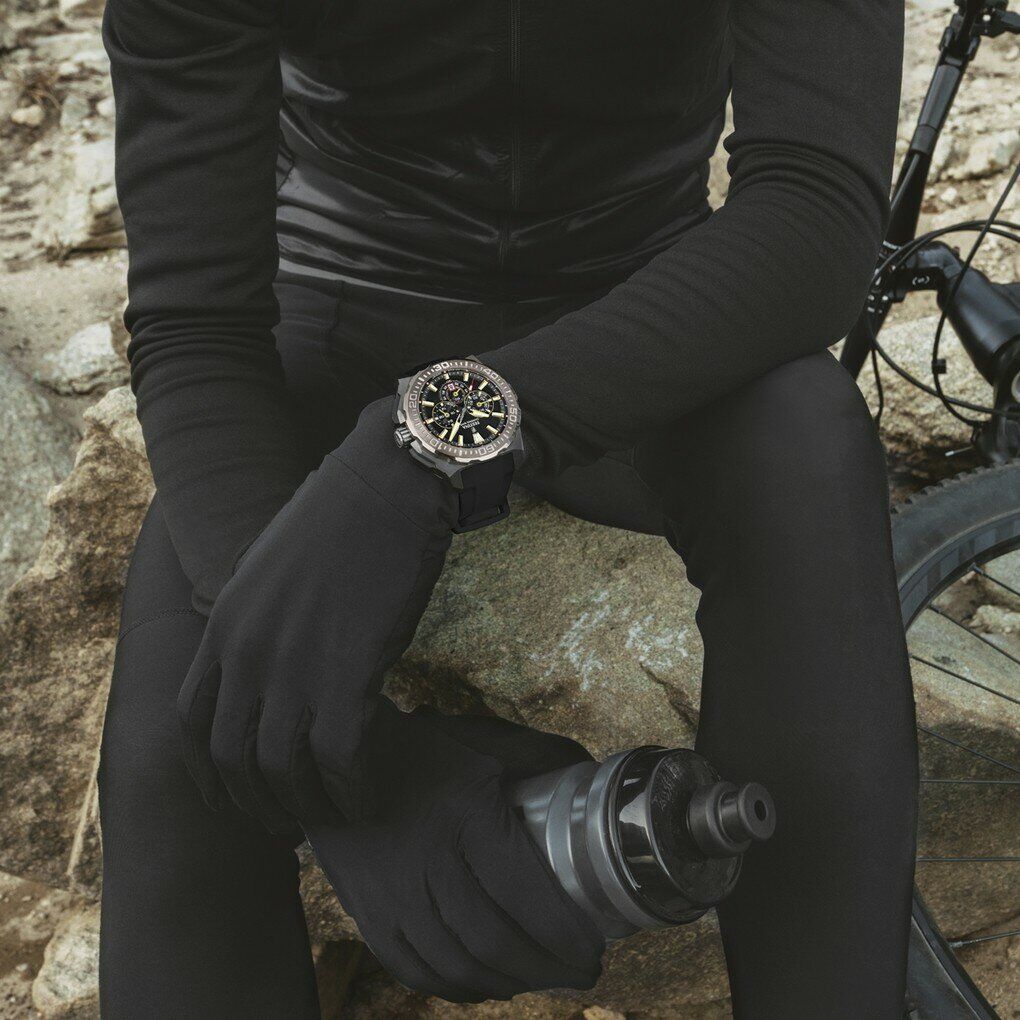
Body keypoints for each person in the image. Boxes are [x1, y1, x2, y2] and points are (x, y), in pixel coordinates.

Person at [97, 0, 919, 1016]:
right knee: (177, 720)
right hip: (337, 316)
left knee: (807, 441)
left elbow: (815, 216)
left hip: (646, 315)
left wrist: (427, 449)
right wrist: (362, 775)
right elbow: (196, 324)